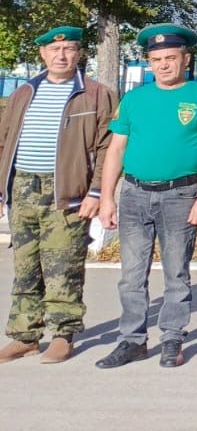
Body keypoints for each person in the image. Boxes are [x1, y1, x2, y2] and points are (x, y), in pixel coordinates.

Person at [96, 24, 197, 370]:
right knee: (131, 275)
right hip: (135, 194)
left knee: (176, 273)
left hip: (180, 195)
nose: (163, 65)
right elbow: (116, 149)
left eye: (170, 58)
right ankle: (132, 341)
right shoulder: (134, 99)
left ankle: (172, 338)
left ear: (185, 59)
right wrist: (107, 197)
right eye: (156, 59)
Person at [0, 26, 114, 364]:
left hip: (67, 190)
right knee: (25, 266)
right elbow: (4, 141)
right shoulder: (23, 93)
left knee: (63, 265)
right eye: (54, 50)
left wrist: (96, 191)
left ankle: (63, 334)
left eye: (69, 49)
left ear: (79, 53)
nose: (61, 55)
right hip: (22, 188)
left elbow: (107, 147)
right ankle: (25, 335)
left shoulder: (96, 94)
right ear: (43, 54)